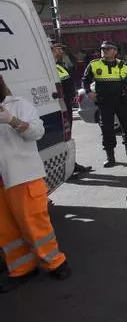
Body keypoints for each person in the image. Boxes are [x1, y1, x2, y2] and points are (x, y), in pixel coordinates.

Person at [0, 74, 71, 293]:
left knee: (34, 224)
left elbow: (37, 132)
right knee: (6, 231)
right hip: (2, 181)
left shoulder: (18, 105)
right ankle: (22, 269)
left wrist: (12, 121)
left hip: (22, 177)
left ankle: (55, 262)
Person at [82, 41, 127, 168]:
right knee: (107, 129)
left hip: (122, 100)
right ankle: (110, 157)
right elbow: (85, 81)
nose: (104, 51)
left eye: (108, 49)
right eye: (103, 49)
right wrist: (89, 92)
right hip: (105, 102)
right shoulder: (94, 64)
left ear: (115, 51)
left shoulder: (123, 64)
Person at [50, 41, 92, 176]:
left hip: (66, 104)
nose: (61, 51)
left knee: (67, 137)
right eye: (59, 49)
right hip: (59, 106)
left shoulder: (58, 65)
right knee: (61, 138)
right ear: (52, 50)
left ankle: (71, 164)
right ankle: (65, 168)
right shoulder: (49, 67)